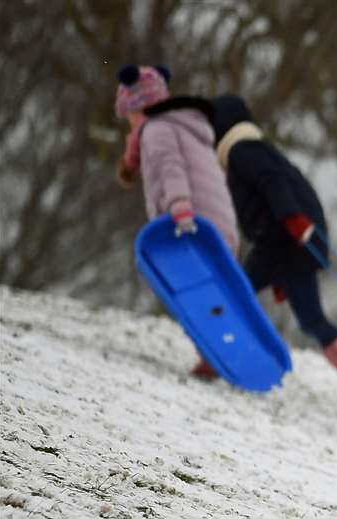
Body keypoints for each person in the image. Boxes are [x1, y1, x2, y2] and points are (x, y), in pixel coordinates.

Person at [208, 93, 337, 421]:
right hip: (296, 244)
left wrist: (292, 218)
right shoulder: (260, 149)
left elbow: (273, 183)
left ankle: (213, 357)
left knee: (235, 293)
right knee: (311, 319)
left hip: (284, 239)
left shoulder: (241, 149)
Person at [113, 65, 240, 379]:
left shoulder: (156, 130)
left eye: (130, 116)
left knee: (188, 291)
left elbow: (170, 167)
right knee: (209, 291)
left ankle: (214, 353)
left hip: (191, 224)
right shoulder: (190, 128)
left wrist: (179, 206)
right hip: (219, 222)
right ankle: (222, 348)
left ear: (138, 108)